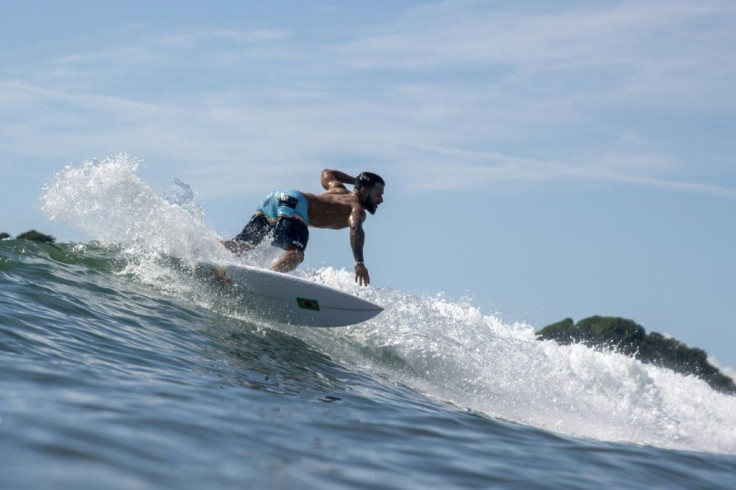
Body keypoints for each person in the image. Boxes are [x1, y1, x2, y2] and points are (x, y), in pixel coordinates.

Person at [222, 169, 385, 286]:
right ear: (363, 191)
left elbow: (327, 173)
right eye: (378, 194)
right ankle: (264, 282)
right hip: (295, 202)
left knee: (242, 245)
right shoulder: (357, 209)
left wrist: (356, 180)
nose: (381, 200)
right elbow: (356, 229)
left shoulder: (338, 188)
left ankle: (206, 249)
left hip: (274, 198)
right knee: (295, 254)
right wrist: (359, 262)